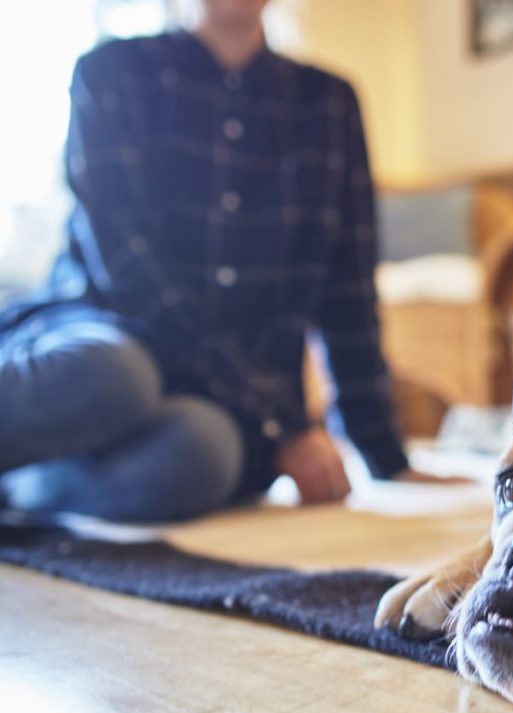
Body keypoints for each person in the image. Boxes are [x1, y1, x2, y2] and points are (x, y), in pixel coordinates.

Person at [0, 0, 455, 524]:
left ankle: (23, 490)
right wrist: (278, 423)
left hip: (220, 397)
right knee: (116, 375)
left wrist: (384, 456)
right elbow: (132, 273)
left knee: (205, 455)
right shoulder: (109, 73)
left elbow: (348, 288)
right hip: (104, 334)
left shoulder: (330, 104)